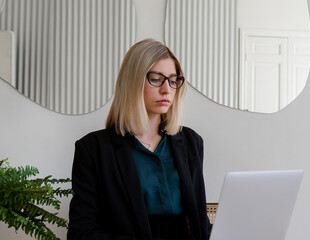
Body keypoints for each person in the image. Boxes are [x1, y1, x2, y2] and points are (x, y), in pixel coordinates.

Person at [68, 38, 212, 240]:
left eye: (173, 80)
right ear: (133, 82)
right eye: (156, 79)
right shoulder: (93, 149)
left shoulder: (191, 142)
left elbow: (199, 222)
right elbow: (82, 233)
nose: (167, 90)